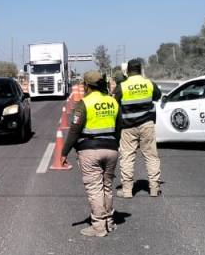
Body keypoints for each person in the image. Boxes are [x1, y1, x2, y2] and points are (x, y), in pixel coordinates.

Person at [59, 70, 123, 237]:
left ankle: (98, 226)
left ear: (86, 85)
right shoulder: (112, 102)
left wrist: (64, 152)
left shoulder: (84, 104)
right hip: (111, 149)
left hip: (90, 150)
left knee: (95, 189)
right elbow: (119, 126)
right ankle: (109, 221)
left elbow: (74, 131)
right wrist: (114, 145)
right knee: (107, 187)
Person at [114, 58, 163, 197]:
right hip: (147, 124)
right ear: (141, 70)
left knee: (127, 157)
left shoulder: (122, 86)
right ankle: (154, 188)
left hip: (128, 126)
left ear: (128, 71)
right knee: (151, 156)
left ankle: (127, 190)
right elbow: (157, 96)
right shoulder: (148, 84)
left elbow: (115, 103)